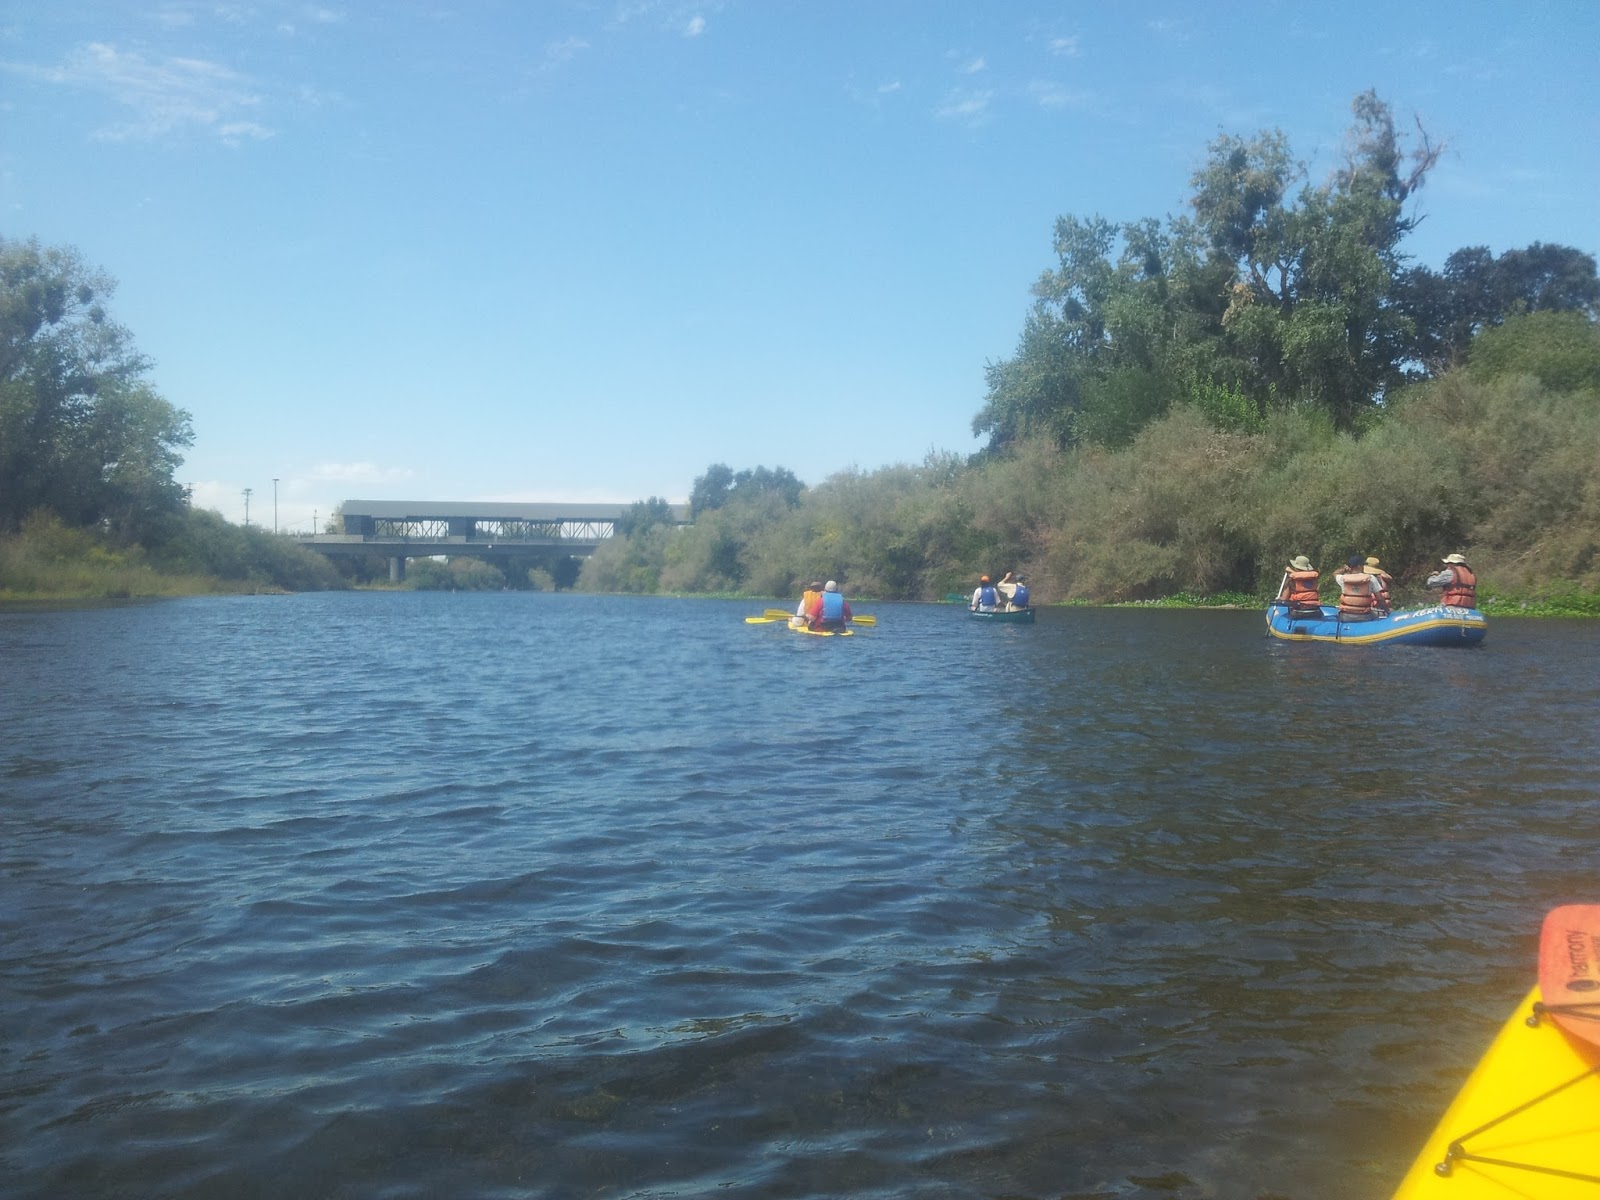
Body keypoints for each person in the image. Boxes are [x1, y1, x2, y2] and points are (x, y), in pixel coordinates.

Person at [1333, 555, 1377, 621]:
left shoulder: (1343, 579)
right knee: (1376, 616)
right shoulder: (1371, 578)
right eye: (1363, 565)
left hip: (1345, 616)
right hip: (1364, 616)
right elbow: (1380, 598)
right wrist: (1387, 610)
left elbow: (1335, 573)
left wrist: (1344, 569)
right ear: (1359, 566)